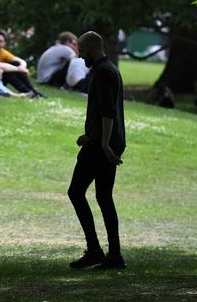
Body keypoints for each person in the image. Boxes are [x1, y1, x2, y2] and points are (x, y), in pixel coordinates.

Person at [68, 31, 126, 270]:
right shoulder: (110, 68)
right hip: (108, 141)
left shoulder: (102, 72)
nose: (81, 57)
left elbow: (107, 111)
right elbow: (106, 110)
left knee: (76, 192)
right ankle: (114, 255)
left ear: (91, 49)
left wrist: (101, 143)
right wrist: (91, 135)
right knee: (104, 197)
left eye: (82, 52)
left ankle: (95, 250)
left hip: (102, 146)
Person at [0, 30, 43, 97]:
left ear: (4, 43)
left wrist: (22, 67)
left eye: (1, 41)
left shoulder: (2, 52)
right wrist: (19, 69)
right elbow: (0, 66)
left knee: (15, 63)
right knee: (6, 71)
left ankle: (32, 91)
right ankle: (27, 91)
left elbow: (21, 61)